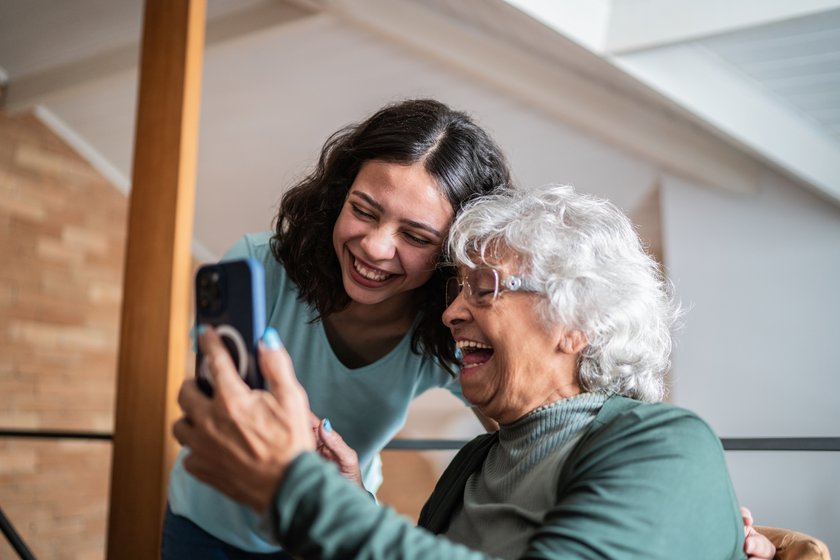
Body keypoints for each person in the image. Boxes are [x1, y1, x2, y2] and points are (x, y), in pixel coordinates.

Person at [174, 184, 777, 559]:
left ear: (578, 322)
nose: (452, 311)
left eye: (483, 288)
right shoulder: (477, 463)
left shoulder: (665, 442)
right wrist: (344, 496)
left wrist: (296, 493)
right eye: (457, 287)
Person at [162, 99, 512, 557]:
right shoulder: (259, 265)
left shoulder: (451, 324)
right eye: (364, 210)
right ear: (339, 195)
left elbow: (521, 436)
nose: (375, 247)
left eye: (415, 237)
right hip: (206, 527)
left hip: (326, 533)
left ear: (452, 255)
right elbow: (214, 410)